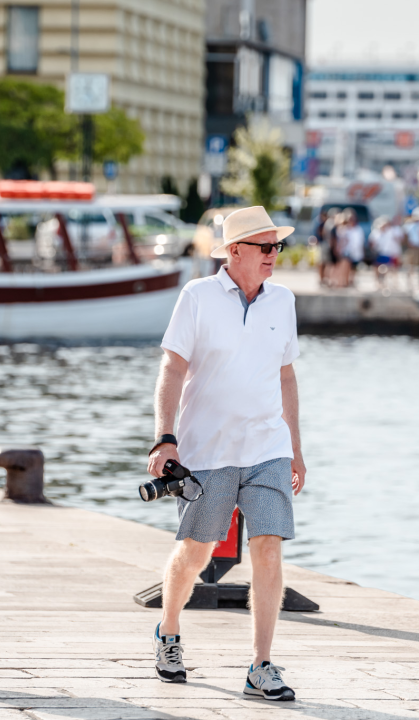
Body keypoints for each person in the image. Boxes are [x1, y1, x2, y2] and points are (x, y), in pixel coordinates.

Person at [149, 206, 305, 702]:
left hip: (267, 447)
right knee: (196, 553)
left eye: (277, 247)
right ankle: (169, 630)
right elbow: (172, 369)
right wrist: (164, 437)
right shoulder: (196, 296)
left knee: (268, 546)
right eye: (265, 247)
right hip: (208, 450)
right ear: (234, 251)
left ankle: (261, 665)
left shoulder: (283, 300)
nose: (274, 256)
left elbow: (286, 376)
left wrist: (296, 449)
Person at [403, 213, 419, 289]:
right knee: (409, 265)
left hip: (418, 248)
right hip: (410, 248)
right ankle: (409, 282)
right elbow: (405, 236)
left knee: (417, 266)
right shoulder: (408, 226)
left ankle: (417, 282)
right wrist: (408, 243)